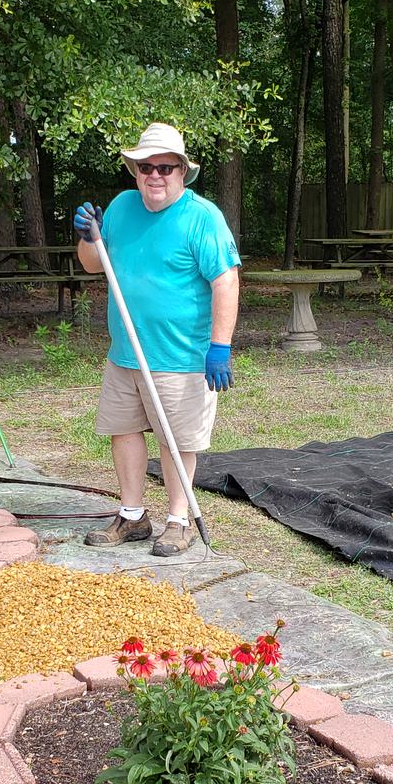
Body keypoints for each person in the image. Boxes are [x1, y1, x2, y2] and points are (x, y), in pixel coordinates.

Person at [74, 122, 240, 556]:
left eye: (166, 167)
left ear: (182, 171)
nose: (155, 175)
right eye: (146, 166)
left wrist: (219, 347)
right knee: (124, 431)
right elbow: (93, 264)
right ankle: (132, 516)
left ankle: (178, 520)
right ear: (134, 170)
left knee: (176, 440)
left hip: (180, 356)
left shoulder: (203, 217)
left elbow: (226, 281)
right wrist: (88, 236)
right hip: (125, 353)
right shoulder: (123, 207)